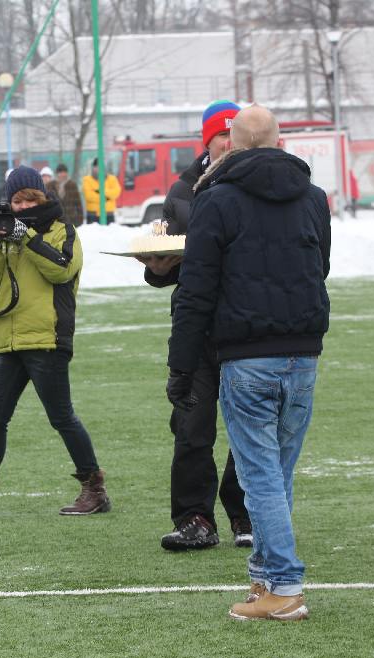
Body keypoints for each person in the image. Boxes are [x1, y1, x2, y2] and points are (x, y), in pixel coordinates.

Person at [168, 105, 330, 621]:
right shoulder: (314, 198)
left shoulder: (216, 200)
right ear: (281, 141)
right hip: (302, 350)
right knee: (276, 474)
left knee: (262, 475)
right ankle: (265, 577)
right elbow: (318, 266)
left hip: (247, 353)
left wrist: (180, 364)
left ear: (231, 145)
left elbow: (196, 290)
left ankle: (283, 585)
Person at [0, 166, 110, 518]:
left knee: (61, 417)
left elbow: (62, 269)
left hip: (47, 338)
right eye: (15, 200)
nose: (21, 207)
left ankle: (94, 489)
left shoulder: (61, 230)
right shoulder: (6, 234)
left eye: (28, 199)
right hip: (8, 338)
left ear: (42, 197)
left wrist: (27, 238)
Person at [136, 99, 252, 551]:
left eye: (233, 133)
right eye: (220, 134)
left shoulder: (252, 185)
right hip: (197, 328)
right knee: (191, 427)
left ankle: (243, 512)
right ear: (208, 141)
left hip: (246, 326)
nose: (227, 141)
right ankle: (195, 518)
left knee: (249, 425)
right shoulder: (182, 192)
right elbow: (177, 263)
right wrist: (157, 267)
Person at [82, 158, 121, 224]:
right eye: (96, 167)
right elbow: (89, 196)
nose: (98, 169)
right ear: (93, 168)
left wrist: (100, 191)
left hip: (108, 214)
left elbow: (116, 193)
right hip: (92, 215)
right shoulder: (87, 180)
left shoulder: (112, 179)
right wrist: (107, 198)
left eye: (100, 166)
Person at [53, 163, 84, 227]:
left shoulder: (72, 185)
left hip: (71, 220)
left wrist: (80, 220)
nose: (62, 174)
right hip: (56, 221)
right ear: (57, 174)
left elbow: (78, 204)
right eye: (60, 172)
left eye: (64, 172)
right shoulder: (51, 185)